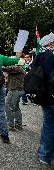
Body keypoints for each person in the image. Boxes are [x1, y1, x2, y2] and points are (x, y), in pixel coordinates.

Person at [36, 33, 54, 164]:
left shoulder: (40, 56)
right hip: (51, 95)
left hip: (44, 95)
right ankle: (45, 155)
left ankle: (44, 154)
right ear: (51, 43)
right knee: (49, 125)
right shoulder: (51, 56)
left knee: (47, 124)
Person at [3, 58, 25, 131]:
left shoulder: (17, 68)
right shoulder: (20, 69)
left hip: (14, 89)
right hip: (19, 89)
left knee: (8, 106)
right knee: (15, 107)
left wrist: (0, 62)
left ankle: (11, 124)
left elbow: (4, 68)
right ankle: (18, 124)